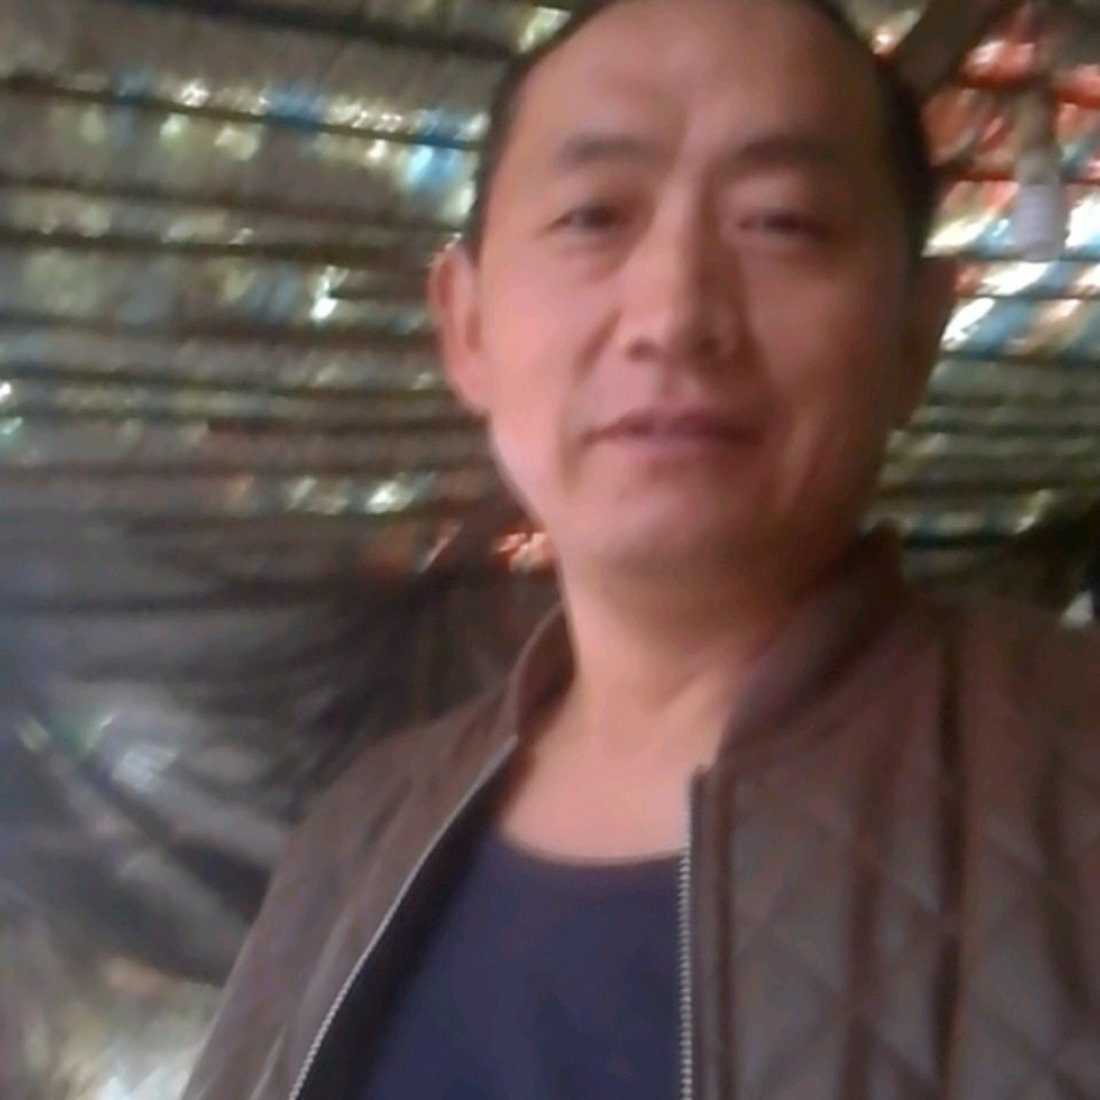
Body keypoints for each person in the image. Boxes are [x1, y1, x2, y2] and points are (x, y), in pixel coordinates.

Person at [182, 1, 1100, 1097]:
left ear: (914, 330)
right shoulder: (353, 842)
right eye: (590, 216)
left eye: (783, 221)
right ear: (465, 326)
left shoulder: (1070, 767)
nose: (672, 313)